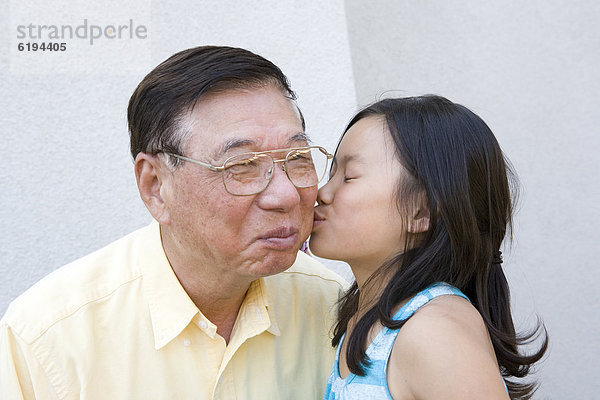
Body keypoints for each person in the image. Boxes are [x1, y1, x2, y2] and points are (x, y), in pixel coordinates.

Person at [0, 45, 346, 399]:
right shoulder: (48, 336)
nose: (286, 195)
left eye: (298, 158)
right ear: (155, 186)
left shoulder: (332, 307)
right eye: (242, 165)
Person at [309, 95, 548, 400]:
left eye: (349, 176)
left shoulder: (434, 330)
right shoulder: (365, 320)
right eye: (332, 174)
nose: (322, 193)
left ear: (421, 211)